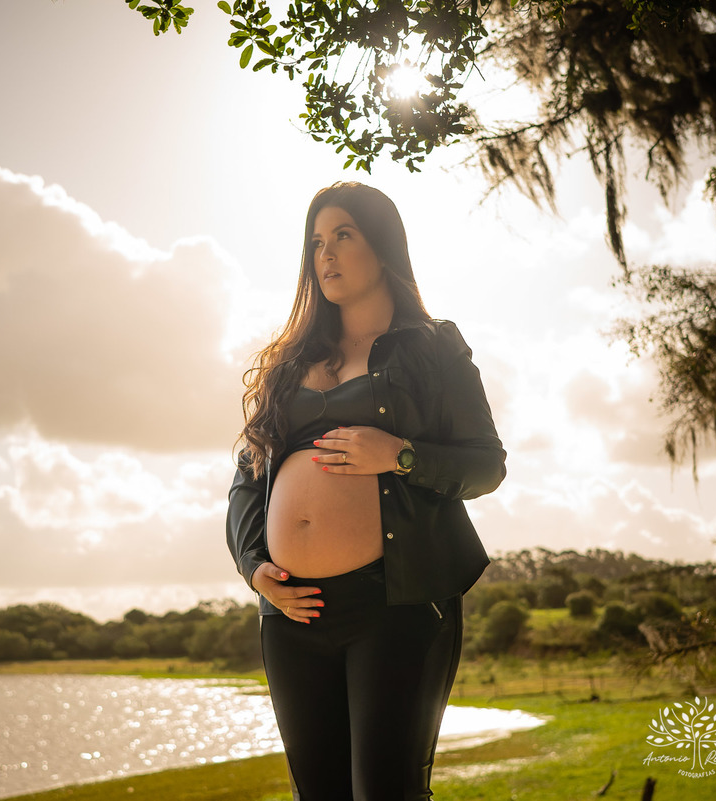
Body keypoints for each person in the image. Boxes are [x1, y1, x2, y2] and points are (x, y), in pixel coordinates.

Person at [226, 181, 506, 800]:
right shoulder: (287, 366)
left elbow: (486, 465)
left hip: (395, 604)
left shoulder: (433, 347)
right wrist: (254, 568)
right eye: (316, 242)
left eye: (343, 235)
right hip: (292, 612)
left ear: (381, 246)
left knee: (387, 792)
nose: (325, 254)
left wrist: (400, 455)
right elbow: (248, 480)